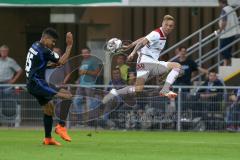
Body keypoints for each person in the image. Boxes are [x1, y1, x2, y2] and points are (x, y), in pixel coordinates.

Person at [103, 15, 181, 105]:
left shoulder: (160, 34)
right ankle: (165, 89)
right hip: (144, 61)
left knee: (138, 90)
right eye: (166, 25)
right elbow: (142, 42)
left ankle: (115, 92)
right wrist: (133, 52)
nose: (168, 27)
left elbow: (144, 38)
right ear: (162, 24)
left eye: (171, 26)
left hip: (152, 61)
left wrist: (130, 45)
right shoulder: (157, 34)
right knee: (176, 66)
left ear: (173, 27)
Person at [25, 28, 73, 146]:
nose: (53, 44)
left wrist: (51, 65)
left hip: (33, 83)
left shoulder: (34, 45)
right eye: (53, 41)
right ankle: (61, 127)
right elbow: (62, 61)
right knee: (67, 96)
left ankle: (48, 139)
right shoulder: (44, 50)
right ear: (46, 38)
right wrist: (69, 46)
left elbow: (38, 64)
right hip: (38, 84)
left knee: (49, 108)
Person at [72, 47, 101, 119]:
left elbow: (97, 73)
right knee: (76, 101)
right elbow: (81, 73)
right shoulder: (83, 61)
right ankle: (80, 119)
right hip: (81, 85)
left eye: (86, 52)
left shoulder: (93, 61)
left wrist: (86, 72)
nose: (84, 54)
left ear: (89, 52)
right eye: (83, 53)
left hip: (90, 85)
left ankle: (91, 120)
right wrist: (78, 80)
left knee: (90, 103)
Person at [217, 0, 240, 66]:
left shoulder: (224, 10)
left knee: (222, 50)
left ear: (221, 3)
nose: (219, 5)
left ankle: (232, 61)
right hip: (233, 32)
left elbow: (224, 22)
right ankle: (226, 64)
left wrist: (219, 31)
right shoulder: (231, 9)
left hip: (227, 33)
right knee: (227, 50)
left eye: (219, 3)